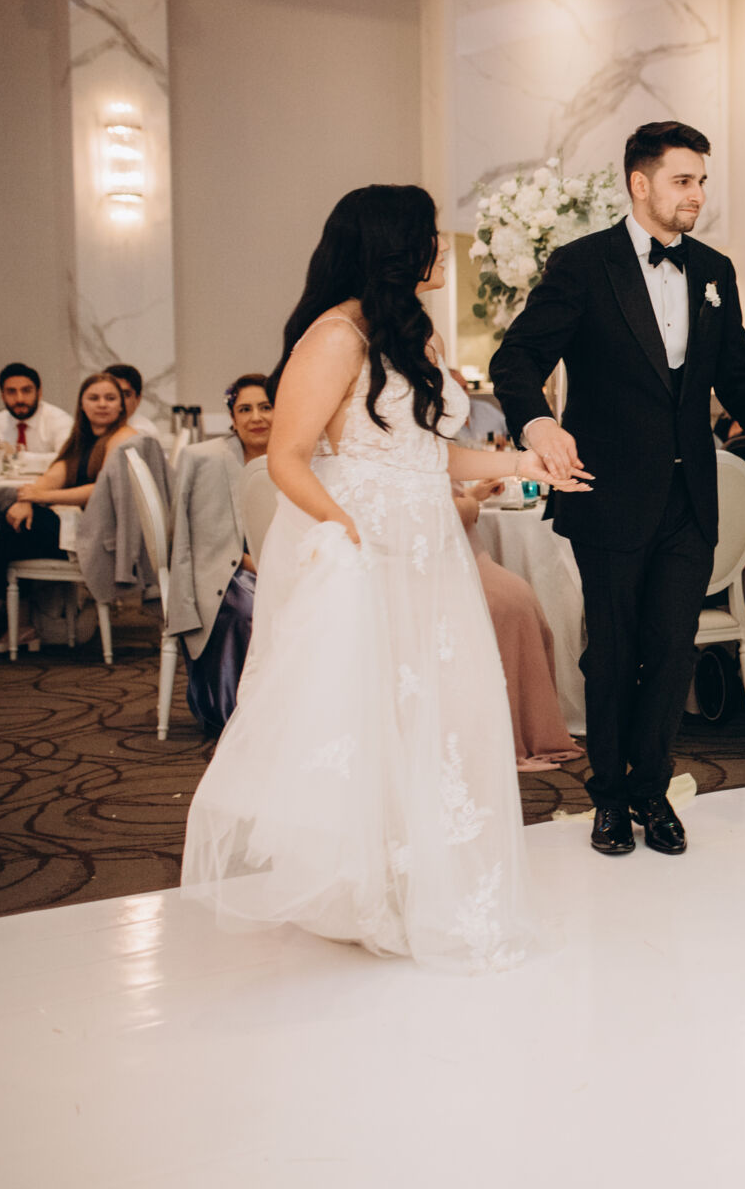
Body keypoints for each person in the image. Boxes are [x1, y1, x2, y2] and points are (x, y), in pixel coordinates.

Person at [182, 183, 574, 972]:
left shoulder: (411, 332)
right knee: (368, 707)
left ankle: (419, 875)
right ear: (394, 245)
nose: (441, 246)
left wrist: (522, 464)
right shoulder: (334, 338)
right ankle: (366, 885)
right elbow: (286, 457)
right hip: (363, 545)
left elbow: (428, 452)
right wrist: (344, 529)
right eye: (429, 233)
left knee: (431, 705)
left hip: (428, 546)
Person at [490, 121, 745, 858]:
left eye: (701, 181)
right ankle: (608, 797)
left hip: (688, 497)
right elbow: (518, 359)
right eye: (683, 180)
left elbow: (742, 376)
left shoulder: (713, 270)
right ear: (640, 184)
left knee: (672, 651)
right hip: (606, 492)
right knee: (612, 653)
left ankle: (652, 790)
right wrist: (538, 424)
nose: (697, 194)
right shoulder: (583, 264)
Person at [0, 372, 138, 652]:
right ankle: (13, 622)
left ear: (121, 406)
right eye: (94, 398)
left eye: (110, 398)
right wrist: (27, 499)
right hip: (85, 525)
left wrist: (38, 497)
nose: (102, 404)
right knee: (13, 521)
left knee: (7, 527)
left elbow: (101, 490)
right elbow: (55, 474)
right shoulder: (84, 438)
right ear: (82, 404)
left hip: (104, 536)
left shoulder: (124, 437)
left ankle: (2, 621)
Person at [454, 480, 586, 771]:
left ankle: (529, 726)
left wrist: (473, 495)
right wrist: (471, 502)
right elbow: (447, 512)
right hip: (442, 564)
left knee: (517, 597)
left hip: (464, 555)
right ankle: (511, 732)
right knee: (509, 603)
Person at [166, 373, 273, 732]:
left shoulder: (298, 457)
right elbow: (189, 538)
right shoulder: (204, 458)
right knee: (248, 607)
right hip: (224, 569)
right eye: (245, 409)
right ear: (232, 417)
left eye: (266, 407)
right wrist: (255, 564)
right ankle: (235, 710)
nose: (256, 417)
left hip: (285, 562)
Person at [0, 363, 74, 453]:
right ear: (2, 396)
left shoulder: (60, 421)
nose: (19, 399)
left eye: (26, 391)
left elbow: (68, 459)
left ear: (39, 393)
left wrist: (16, 456)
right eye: (11, 392)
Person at [104, 364, 162, 439]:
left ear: (138, 399)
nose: (118, 401)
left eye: (125, 395)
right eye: (111, 395)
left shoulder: (142, 433)